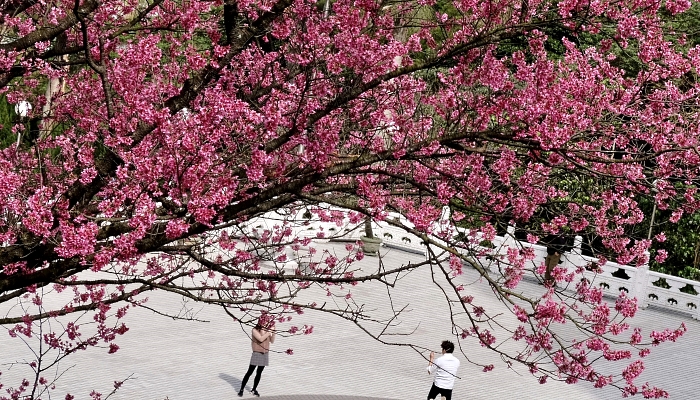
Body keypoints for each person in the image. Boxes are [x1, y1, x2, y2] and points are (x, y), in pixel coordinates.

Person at [238, 318, 276, 397]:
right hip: (257, 353)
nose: (266, 323)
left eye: (267, 322)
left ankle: (254, 389)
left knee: (259, 373)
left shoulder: (267, 331)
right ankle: (241, 389)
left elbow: (272, 341)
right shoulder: (255, 330)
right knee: (250, 372)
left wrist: (274, 331)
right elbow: (261, 339)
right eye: (265, 322)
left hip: (265, 353)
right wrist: (269, 332)